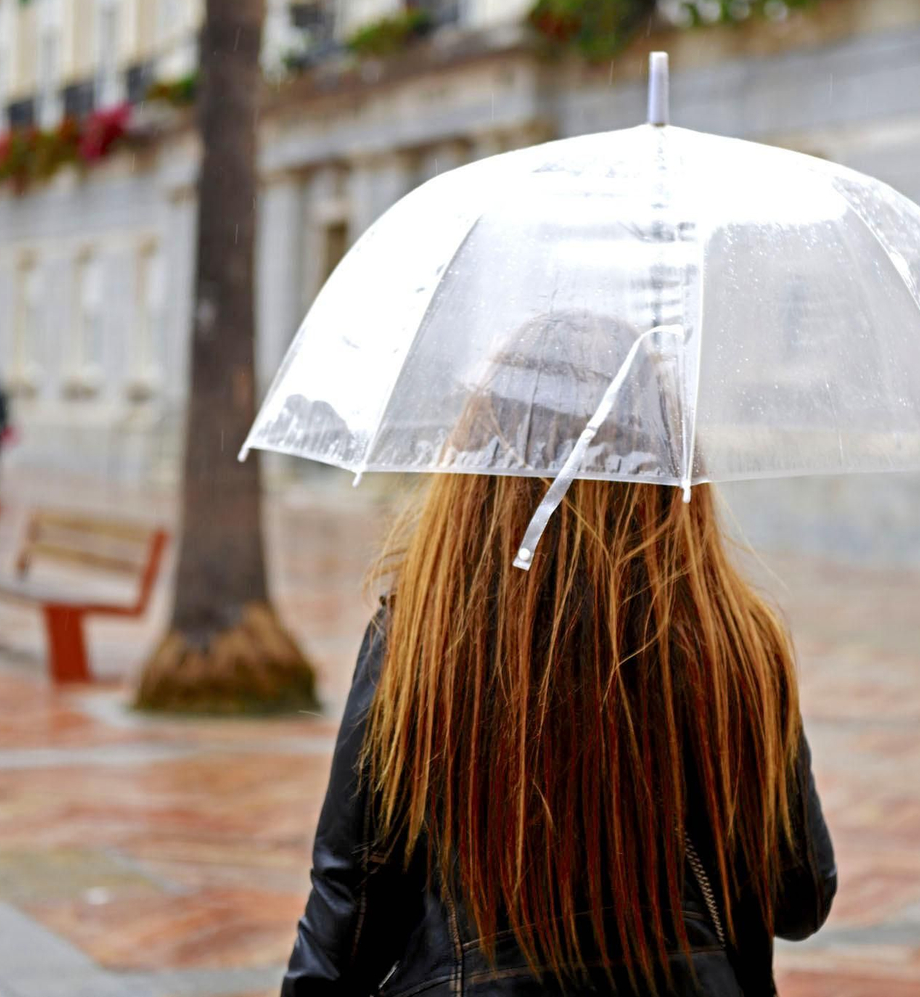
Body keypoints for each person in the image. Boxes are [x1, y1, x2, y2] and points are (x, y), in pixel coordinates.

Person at [283, 316, 836, 996]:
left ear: (482, 466)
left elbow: (348, 921)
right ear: (669, 466)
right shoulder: (737, 644)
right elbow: (799, 897)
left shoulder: (421, 643)